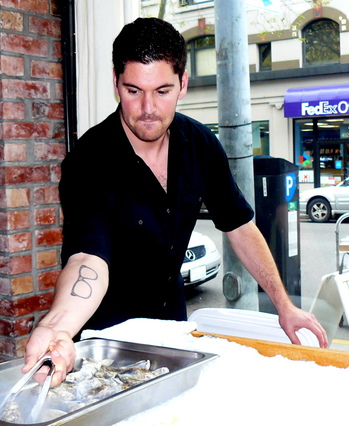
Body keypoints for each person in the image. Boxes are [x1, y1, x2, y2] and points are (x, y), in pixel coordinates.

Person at [23, 17, 327, 386]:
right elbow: (89, 257)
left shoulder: (200, 144)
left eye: (162, 91)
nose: (148, 108)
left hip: (176, 333)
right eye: (133, 90)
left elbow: (240, 225)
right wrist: (57, 328)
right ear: (116, 83)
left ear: (183, 83)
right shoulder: (89, 160)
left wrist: (284, 305)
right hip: (110, 342)